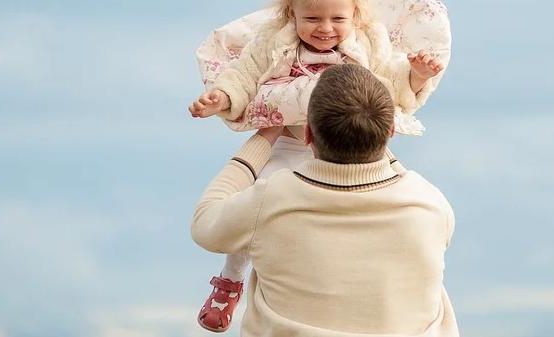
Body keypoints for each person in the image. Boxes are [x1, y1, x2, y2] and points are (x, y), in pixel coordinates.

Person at [188, 0, 445, 332]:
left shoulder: (366, 45)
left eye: (337, 19)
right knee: (253, 207)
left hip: (349, 149)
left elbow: (390, 85)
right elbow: (245, 77)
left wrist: (416, 75)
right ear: (290, 14)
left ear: (356, 14)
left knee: (259, 212)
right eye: (312, 19)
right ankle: (231, 278)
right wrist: (221, 98)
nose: (325, 29)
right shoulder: (273, 43)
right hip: (289, 143)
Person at [191, 64, 459, 337]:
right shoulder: (430, 206)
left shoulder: (271, 200)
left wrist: (266, 134)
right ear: (390, 131)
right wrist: (369, 128)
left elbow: (205, 223)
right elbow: (394, 175)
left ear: (307, 135)